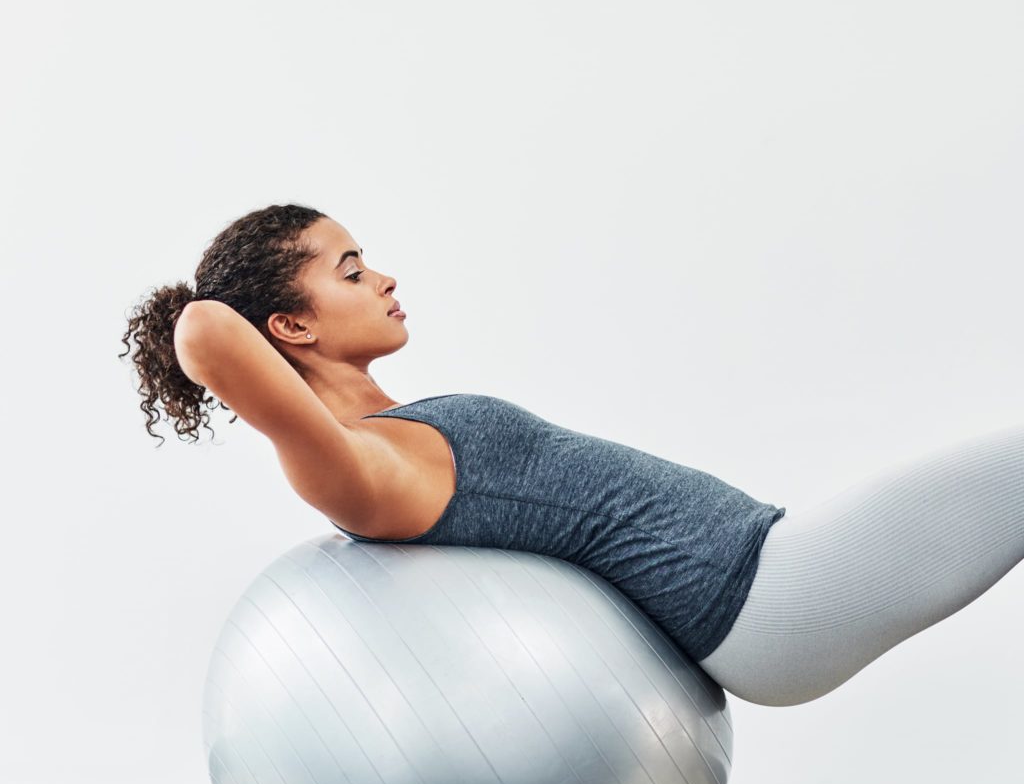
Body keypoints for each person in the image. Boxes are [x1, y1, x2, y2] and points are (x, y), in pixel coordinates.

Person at [120, 203, 1024, 708]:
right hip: (770, 595)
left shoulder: (400, 427)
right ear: (290, 324)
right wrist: (203, 303)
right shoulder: (355, 467)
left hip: (771, 569)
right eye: (351, 270)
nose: (386, 277)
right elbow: (202, 329)